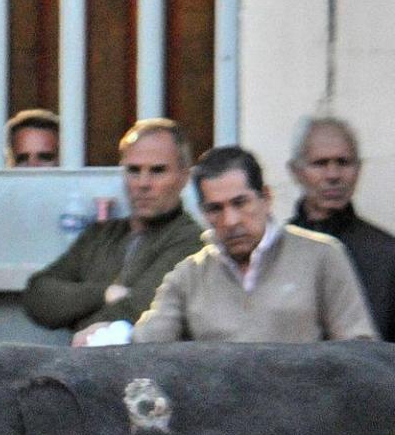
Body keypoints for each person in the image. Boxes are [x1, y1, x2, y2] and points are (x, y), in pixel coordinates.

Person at [112, 146, 376, 345]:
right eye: (215, 209)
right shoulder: (189, 276)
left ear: (266, 198)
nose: (231, 220)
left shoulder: (322, 256)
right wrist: (110, 336)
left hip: (305, 412)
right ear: (203, 213)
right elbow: (146, 346)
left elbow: (358, 351)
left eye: (240, 203)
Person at [23, 118, 203, 335]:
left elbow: (140, 310)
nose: (143, 183)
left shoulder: (191, 241)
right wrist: (104, 293)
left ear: (183, 177)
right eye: (134, 170)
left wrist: (82, 317)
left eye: (157, 171)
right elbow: (37, 296)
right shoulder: (101, 235)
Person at [288, 115, 395, 340]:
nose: (333, 175)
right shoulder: (274, 249)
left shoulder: (387, 254)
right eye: (320, 163)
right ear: (295, 172)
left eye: (343, 162)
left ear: (359, 169)